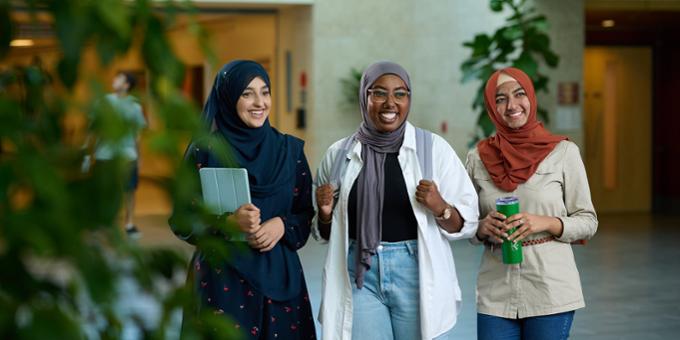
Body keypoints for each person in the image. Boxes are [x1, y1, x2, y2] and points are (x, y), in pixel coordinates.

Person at [314, 61, 479, 340]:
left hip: (415, 270)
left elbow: (467, 223)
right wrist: (325, 214)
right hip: (359, 273)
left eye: (400, 94)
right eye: (379, 93)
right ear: (364, 96)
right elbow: (324, 233)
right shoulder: (339, 154)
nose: (390, 103)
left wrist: (440, 207)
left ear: (409, 99)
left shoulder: (433, 150)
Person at [171, 60, 316, 339]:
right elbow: (182, 219)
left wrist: (282, 225)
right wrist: (227, 223)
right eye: (247, 93)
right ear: (227, 98)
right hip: (220, 285)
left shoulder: (290, 151)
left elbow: (303, 214)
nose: (259, 102)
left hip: (281, 284)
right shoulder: (205, 152)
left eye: (265, 92)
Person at [465, 67, 598, 340]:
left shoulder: (563, 153)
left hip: (551, 287)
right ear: (491, 106)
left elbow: (588, 221)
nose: (511, 105)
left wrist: (545, 222)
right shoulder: (478, 157)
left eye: (519, 94)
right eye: (500, 98)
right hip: (495, 290)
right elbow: (466, 224)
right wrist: (481, 227)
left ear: (531, 98)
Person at [90, 71, 146, 237]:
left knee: (129, 190)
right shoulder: (104, 102)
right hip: (104, 155)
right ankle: (104, 222)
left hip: (127, 156)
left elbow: (137, 134)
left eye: (119, 78)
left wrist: (140, 157)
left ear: (127, 85)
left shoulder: (135, 107)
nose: (114, 80)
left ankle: (129, 223)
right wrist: (89, 152)